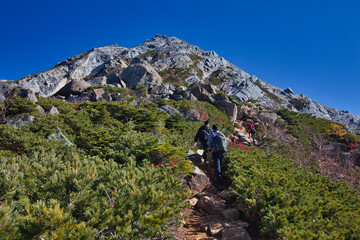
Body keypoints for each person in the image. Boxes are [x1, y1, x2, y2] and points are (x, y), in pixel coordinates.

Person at [208, 124, 228, 191]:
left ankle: (220, 184)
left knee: (217, 167)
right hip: (223, 152)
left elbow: (209, 143)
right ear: (218, 128)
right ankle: (223, 180)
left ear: (213, 129)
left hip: (215, 152)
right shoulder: (222, 134)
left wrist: (210, 151)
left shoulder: (212, 134)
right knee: (220, 166)